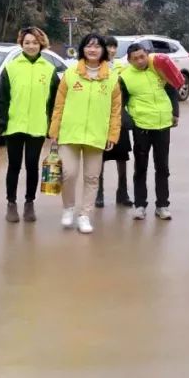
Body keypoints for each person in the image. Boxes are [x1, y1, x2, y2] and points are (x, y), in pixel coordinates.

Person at [47, 33, 122, 235]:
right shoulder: (71, 74)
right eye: (89, 46)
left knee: (91, 177)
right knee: (68, 173)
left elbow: (116, 111)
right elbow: (59, 104)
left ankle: (85, 215)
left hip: (97, 135)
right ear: (82, 49)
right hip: (69, 133)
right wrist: (54, 130)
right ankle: (68, 208)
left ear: (103, 51)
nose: (93, 50)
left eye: (97, 47)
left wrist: (112, 135)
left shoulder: (112, 78)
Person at [0, 26, 59, 223]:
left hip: (37, 127)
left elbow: (55, 101)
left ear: (42, 44)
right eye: (27, 42)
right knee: (14, 166)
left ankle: (29, 203)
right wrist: (0, 123)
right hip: (14, 126)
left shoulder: (49, 70)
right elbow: (1, 98)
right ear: (21, 44)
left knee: (32, 166)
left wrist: (54, 126)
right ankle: (11, 203)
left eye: (35, 43)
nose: (31, 46)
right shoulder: (11, 67)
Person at [119, 43, 179, 220]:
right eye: (135, 58)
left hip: (162, 125)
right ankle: (140, 205)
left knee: (162, 167)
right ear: (129, 60)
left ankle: (162, 205)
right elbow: (119, 104)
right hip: (142, 127)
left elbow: (172, 90)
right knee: (141, 168)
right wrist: (130, 122)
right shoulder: (125, 77)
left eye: (142, 56)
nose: (140, 60)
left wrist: (175, 113)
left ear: (147, 55)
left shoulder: (158, 68)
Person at [96, 35, 133, 208]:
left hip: (118, 118)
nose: (111, 50)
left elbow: (128, 91)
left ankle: (122, 192)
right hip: (99, 118)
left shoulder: (123, 67)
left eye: (114, 47)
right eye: (108, 46)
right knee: (99, 157)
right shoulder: (95, 66)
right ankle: (99, 193)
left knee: (122, 156)